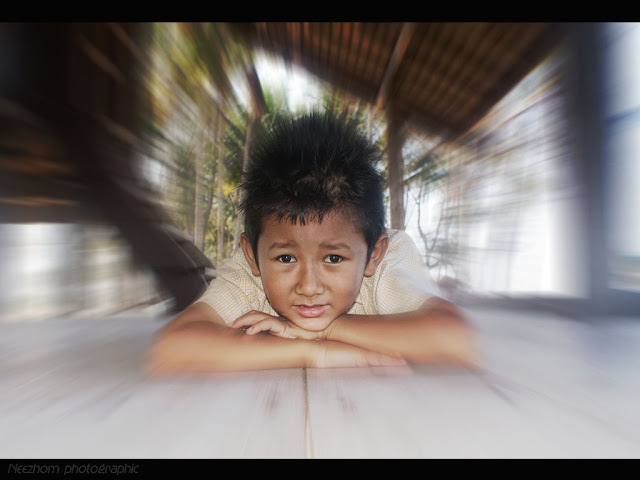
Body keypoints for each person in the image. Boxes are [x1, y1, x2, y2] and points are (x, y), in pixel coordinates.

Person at [148, 111, 477, 374]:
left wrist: (324, 330)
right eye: (286, 259)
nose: (308, 287)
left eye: (333, 258)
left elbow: (456, 340)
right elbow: (173, 347)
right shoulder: (249, 272)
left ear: (373, 254)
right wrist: (312, 351)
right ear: (251, 255)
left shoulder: (389, 259)